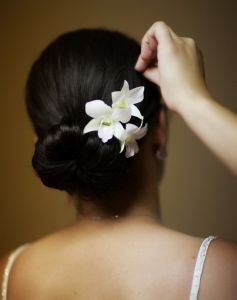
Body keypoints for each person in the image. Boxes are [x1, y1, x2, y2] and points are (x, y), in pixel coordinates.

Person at [0, 23, 236, 300]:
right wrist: (193, 100)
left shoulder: (9, 275)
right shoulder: (222, 274)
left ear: (50, 146)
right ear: (160, 130)